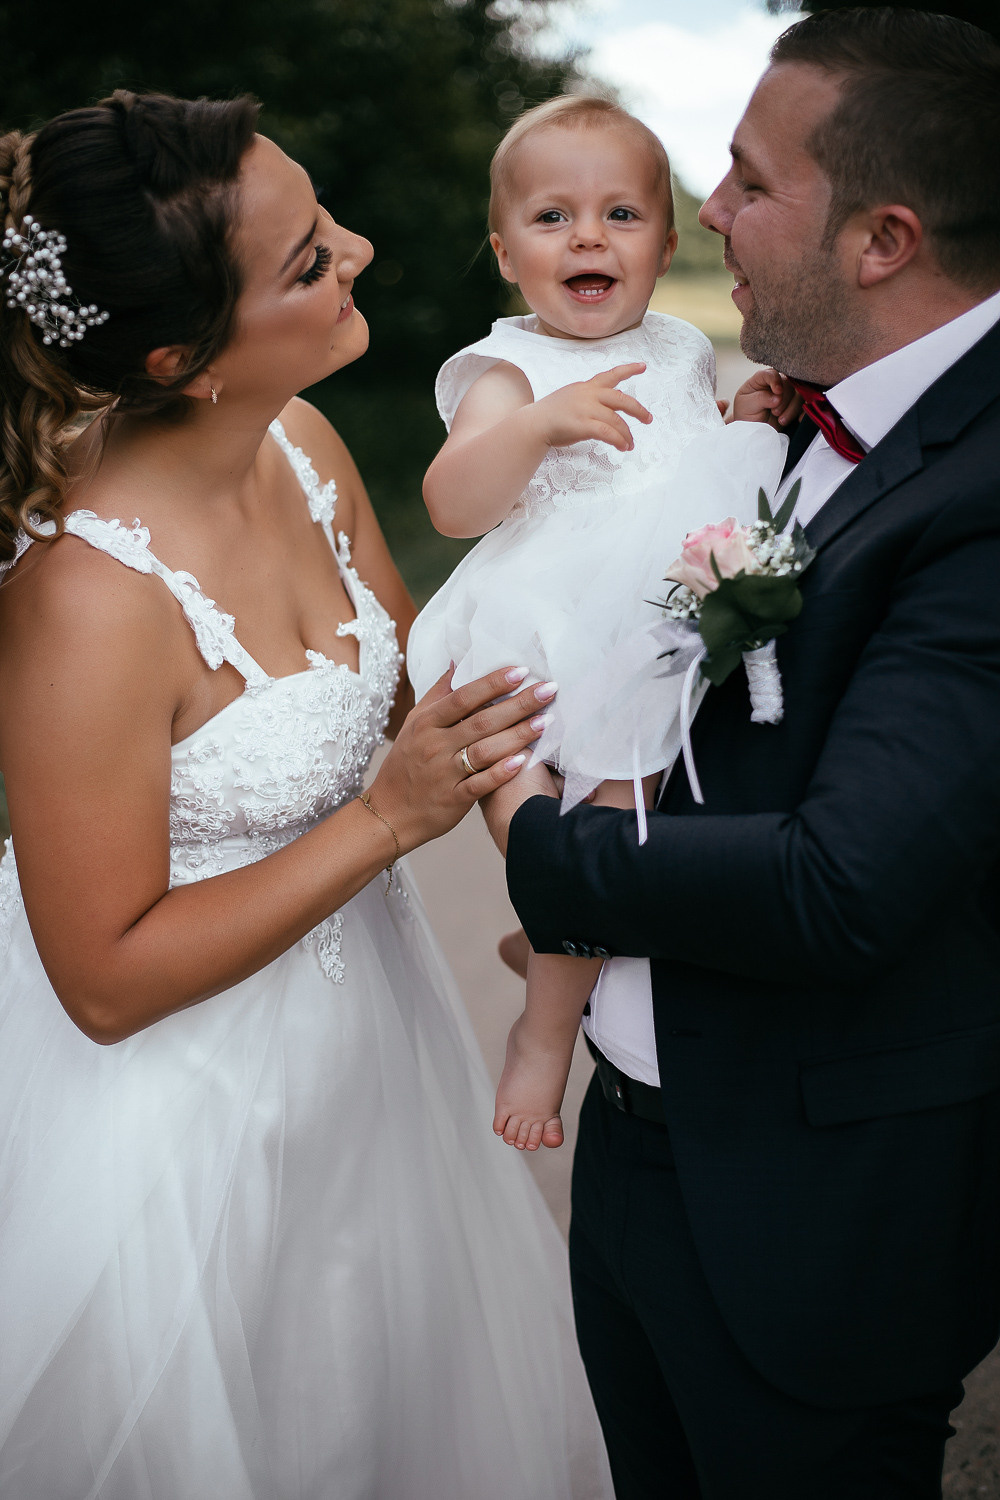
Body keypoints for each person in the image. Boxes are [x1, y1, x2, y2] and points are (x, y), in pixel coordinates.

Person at [0, 90, 613, 1499]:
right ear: (178, 356)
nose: (366, 250)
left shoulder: (305, 448)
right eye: (307, 261)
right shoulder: (86, 599)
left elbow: (429, 724)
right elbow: (101, 977)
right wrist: (383, 822)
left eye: (324, 215)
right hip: (175, 1126)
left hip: (371, 1058)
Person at [490, 8, 1000, 1498]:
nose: (707, 212)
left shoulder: (983, 496)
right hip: (643, 1146)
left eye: (749, 180)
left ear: (883, 238)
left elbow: (845, 881)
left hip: (820, 1219)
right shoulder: (797, 419)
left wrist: (541, 838)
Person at [406, 95, 792, 1156]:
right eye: (552, 217)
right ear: (503, 253)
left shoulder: (675, 351)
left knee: (616, 835)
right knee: (555, 827)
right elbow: (453, 506)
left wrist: (736, 423)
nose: (587, 236)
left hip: (647, 629)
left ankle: (552, 967)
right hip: (538, 628)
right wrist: (530, 429)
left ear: (666, 246)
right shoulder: (506, 372)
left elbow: (681, 469)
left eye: (621, 215)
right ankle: (543, 1023)